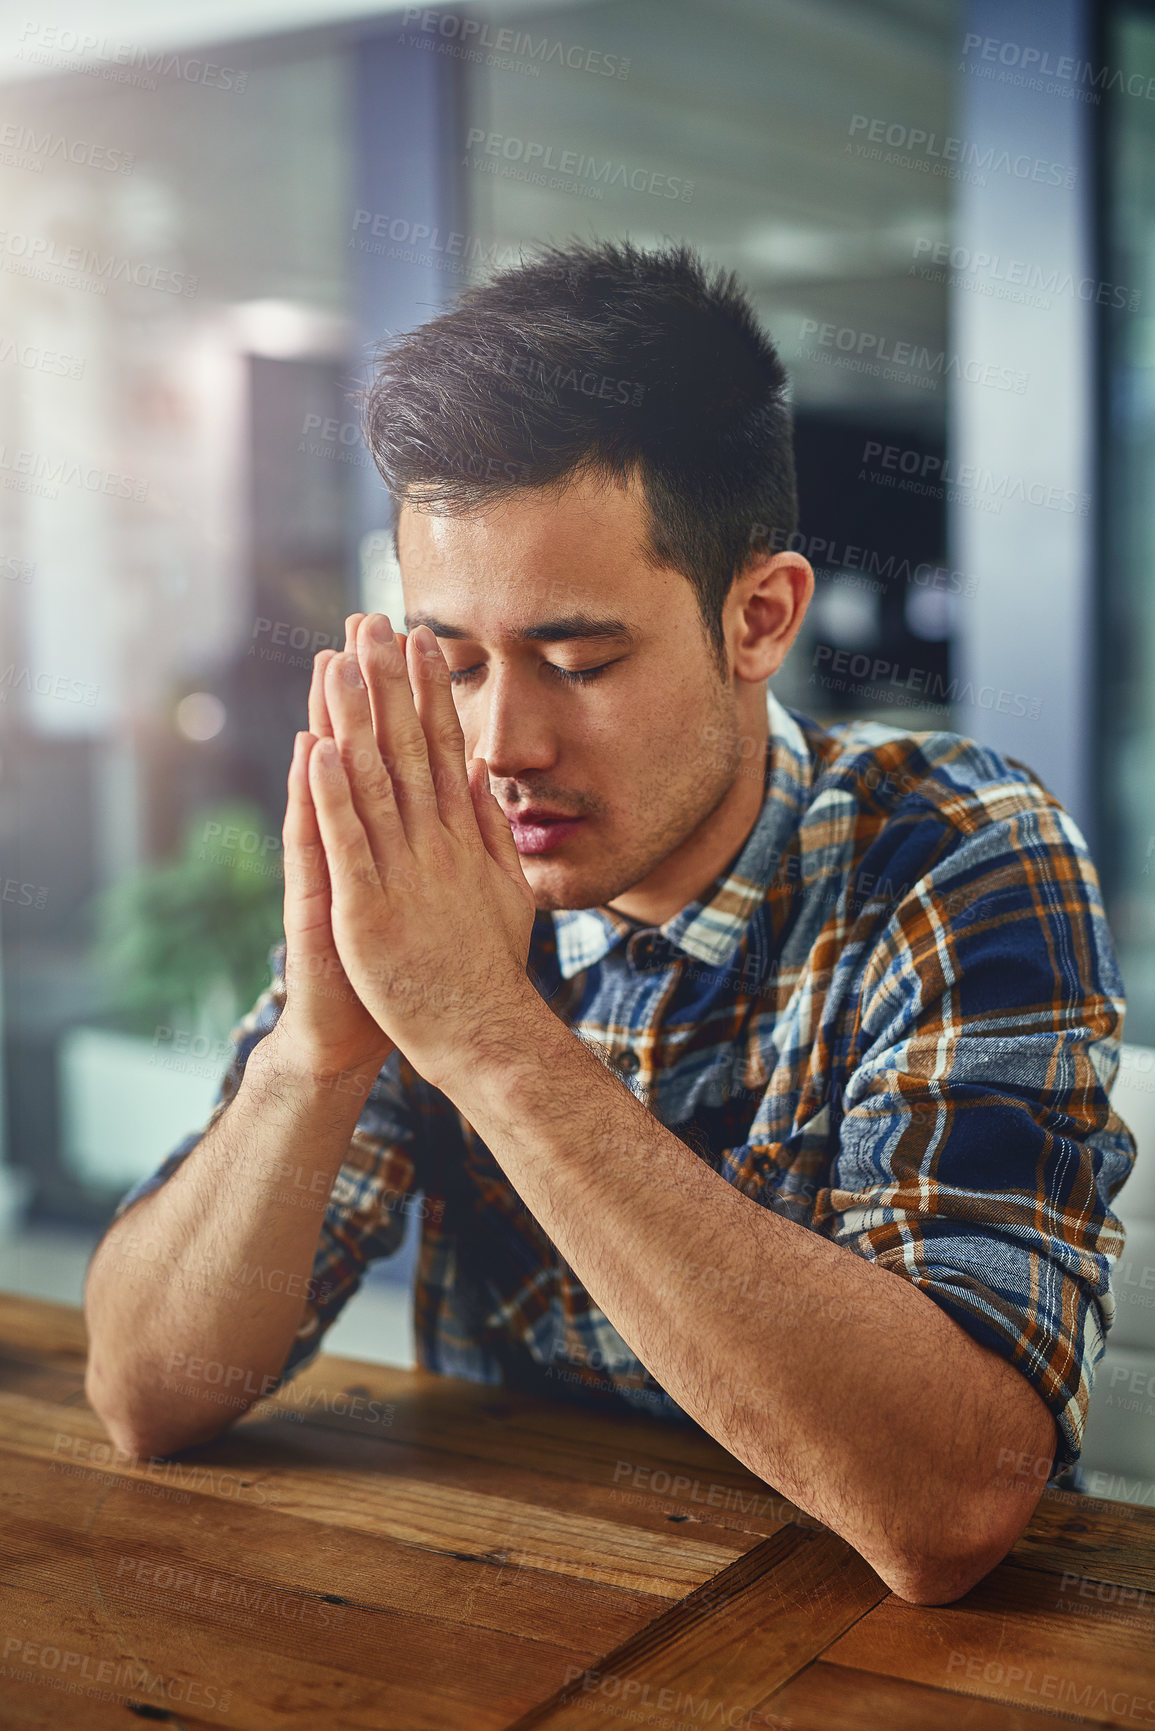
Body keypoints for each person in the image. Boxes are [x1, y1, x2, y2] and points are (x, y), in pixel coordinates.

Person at [83, 239, 1136, 1605]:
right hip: (507, 1617)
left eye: (578, 661)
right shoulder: (432, 858)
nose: (499, 741)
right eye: (452, 661)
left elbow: (951, 1506)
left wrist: (483, 1032)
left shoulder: (958, 853)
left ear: (758, 618)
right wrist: (318, 1056)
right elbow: (144, 1395)